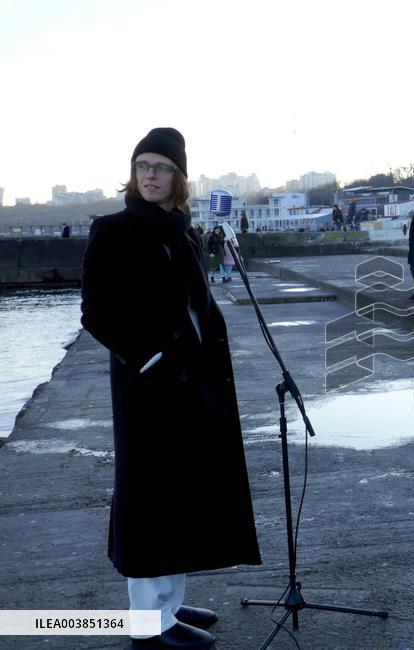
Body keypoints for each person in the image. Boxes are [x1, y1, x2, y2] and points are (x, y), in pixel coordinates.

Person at [80, 127, 260, 648]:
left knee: (181, 496)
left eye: (161, 167)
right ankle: (148, 625)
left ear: (178, 176)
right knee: (149, 502)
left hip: (192, 384)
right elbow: (97, 312)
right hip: (149, 389)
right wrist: (150, 359)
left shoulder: (180, 231)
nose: (151, 175)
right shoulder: (112, 230)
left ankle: (171, 607)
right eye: (143, 167)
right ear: (133, 175)